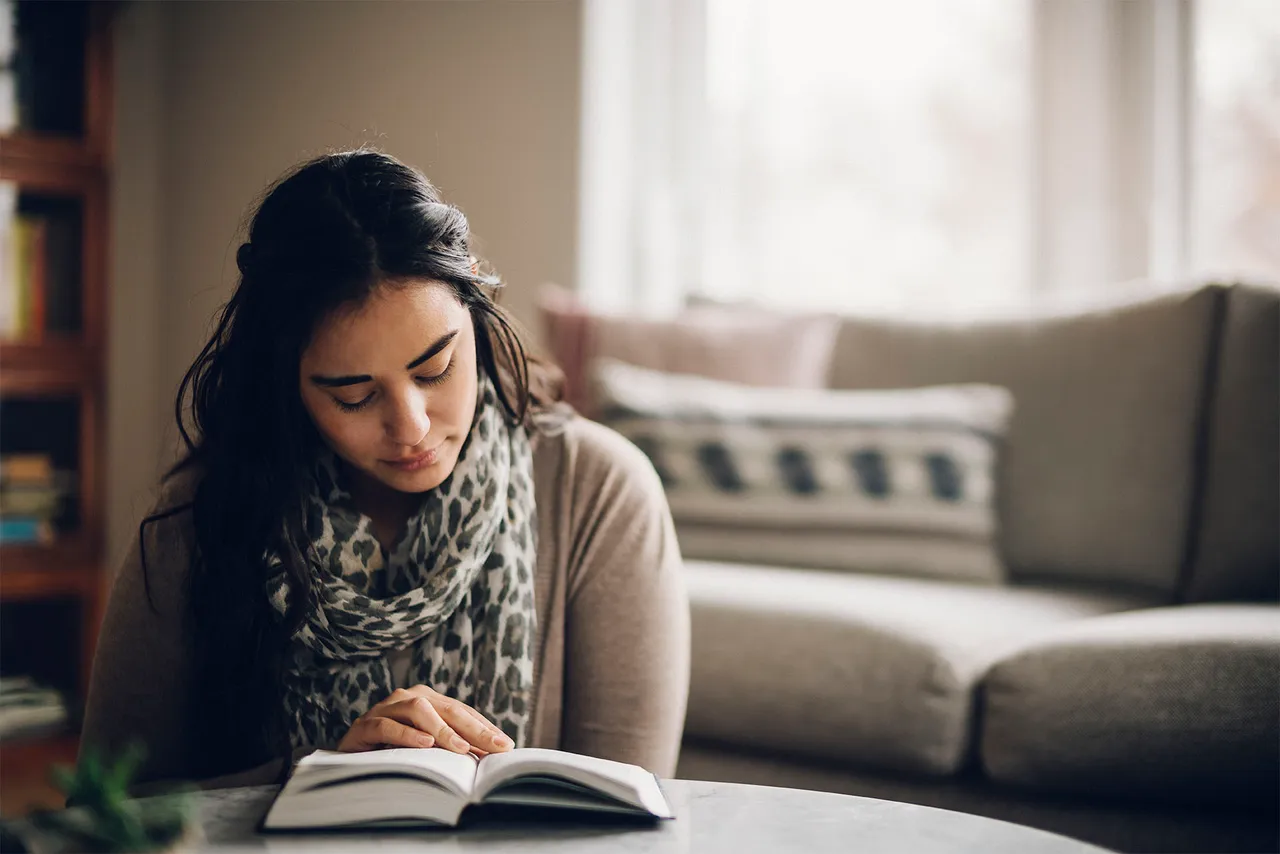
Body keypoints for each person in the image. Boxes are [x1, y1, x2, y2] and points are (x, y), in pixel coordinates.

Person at [81, 150, 690, 789]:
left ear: (476, 315)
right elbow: (106, 815)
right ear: (286, 384)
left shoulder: (599, 494)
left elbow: (629, 821)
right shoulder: (202, 513)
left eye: (435, 371)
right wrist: (319, 787)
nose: (413, 428)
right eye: (354, 396)